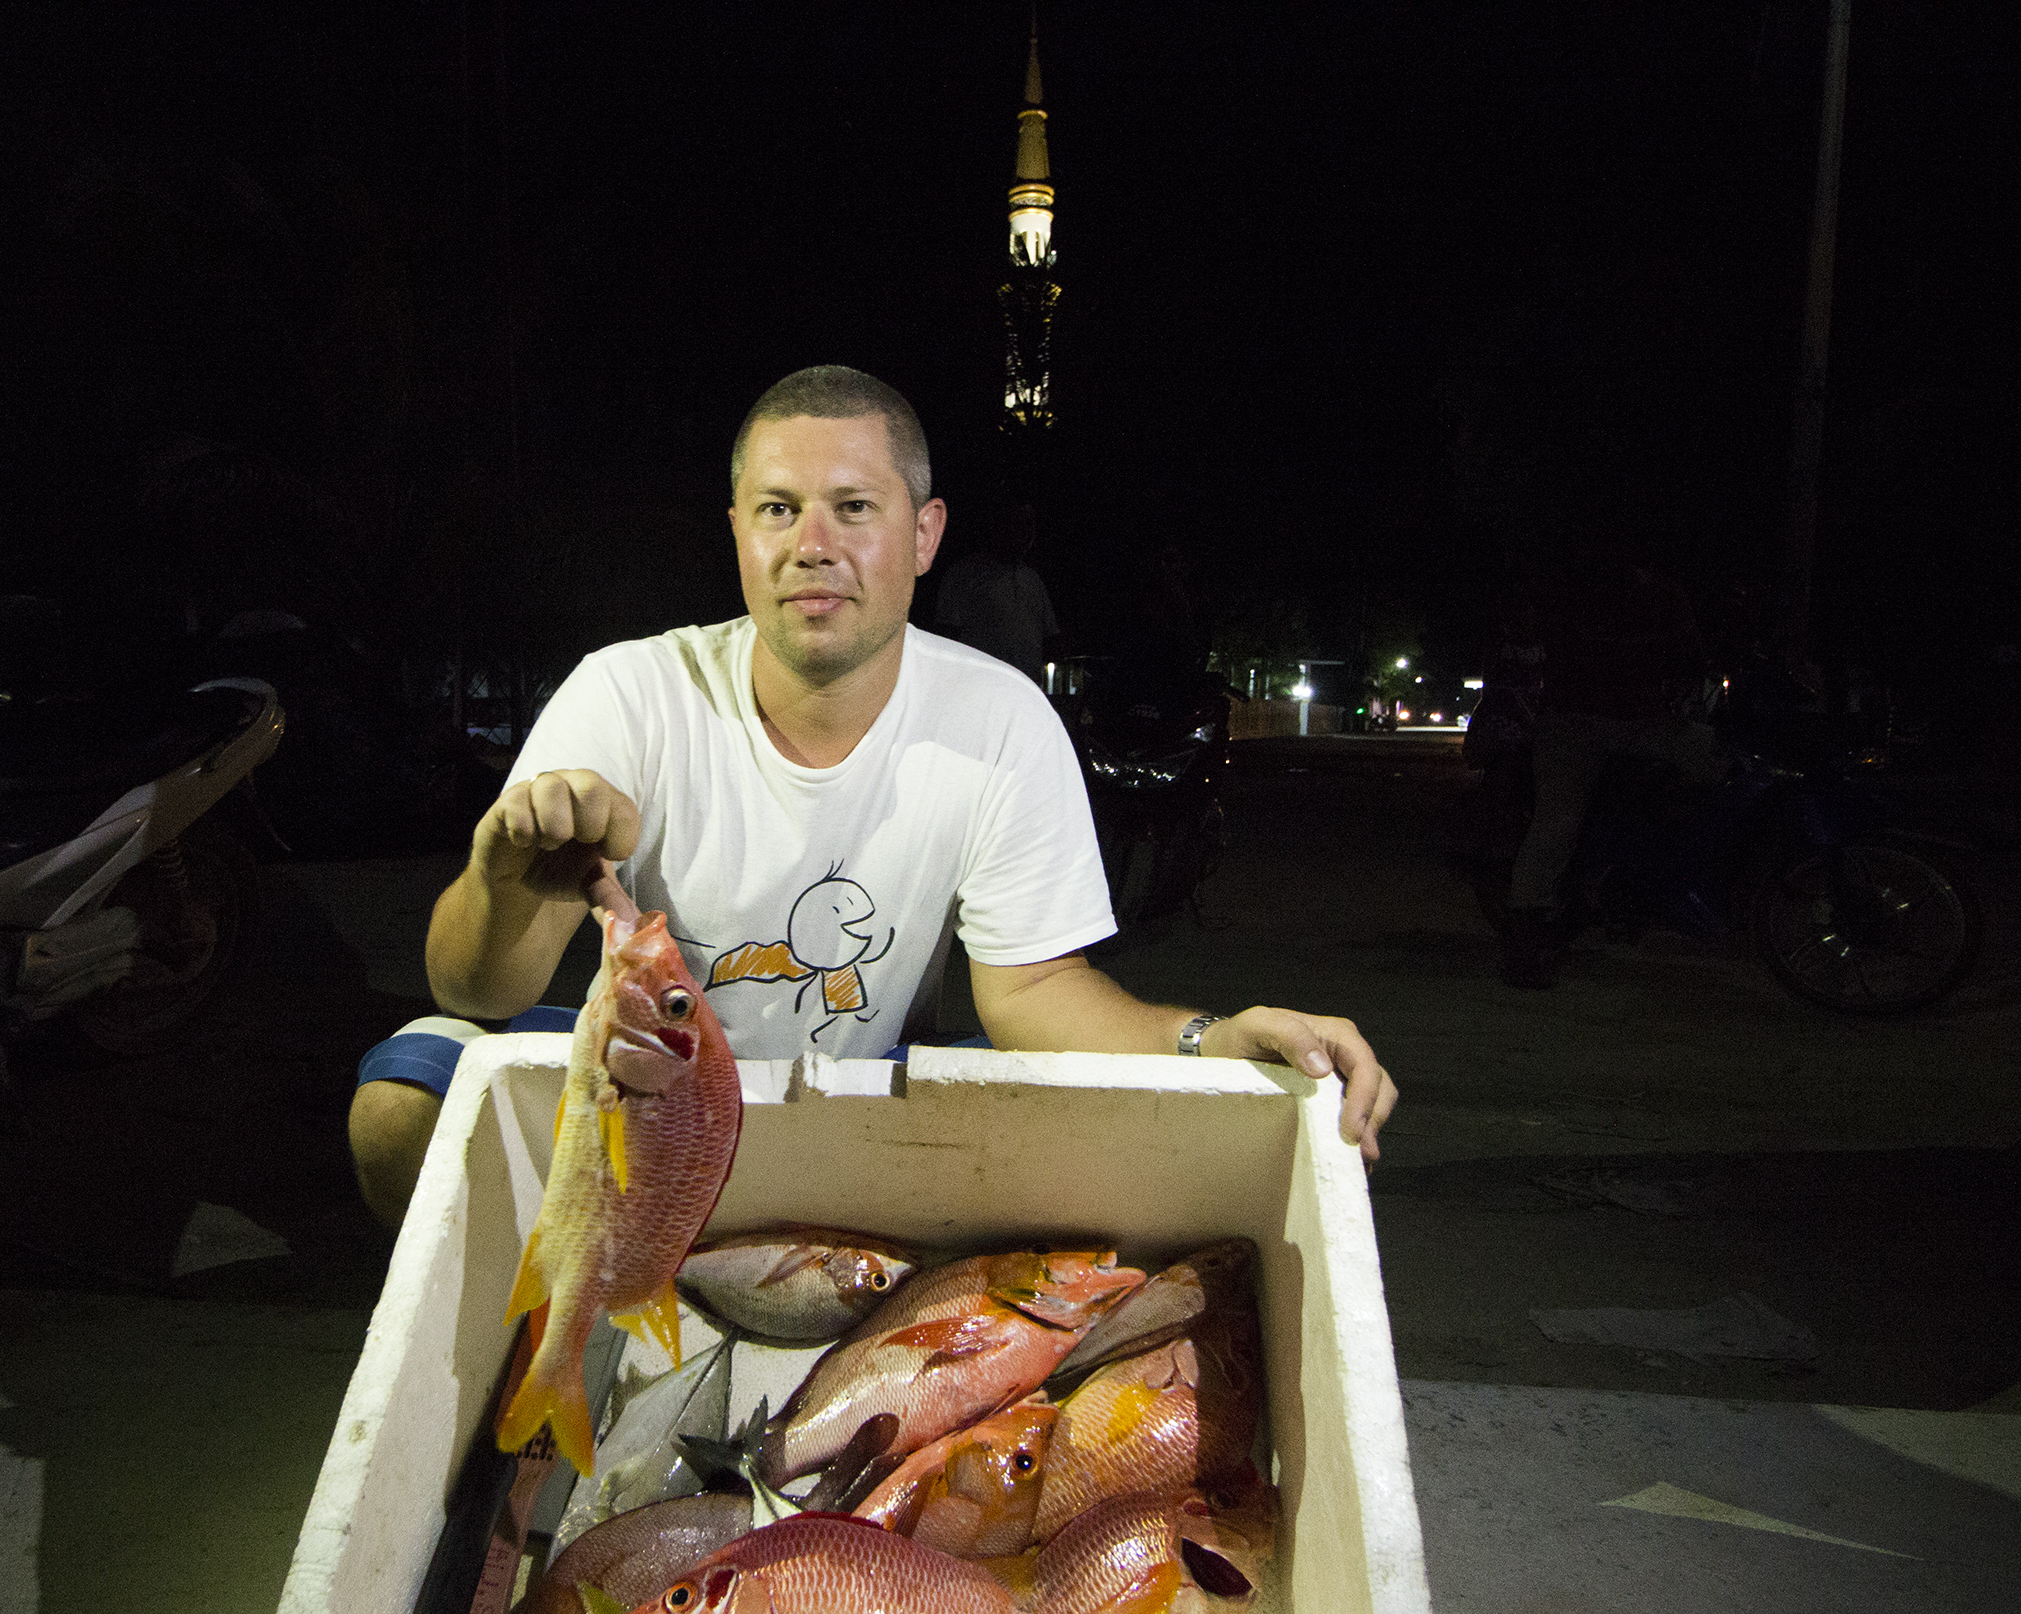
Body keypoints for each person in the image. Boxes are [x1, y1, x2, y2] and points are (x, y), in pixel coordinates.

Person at [347, 366, 1395, 1222]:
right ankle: (532, 1368)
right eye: (778, 509)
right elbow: (472, 990)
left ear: (926, 534)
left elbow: (1031, 994)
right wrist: (508, 878)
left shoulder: (999, 719)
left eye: (855, 507)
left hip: (860, 1085)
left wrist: (1210, 1040)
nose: (814, 543)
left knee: (1147, 1156)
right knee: (398, 1108)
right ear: (739, 533)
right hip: (642, 1081)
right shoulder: (631, 689)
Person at [1499, 549, 1722, 988]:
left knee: (1718, 763)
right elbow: (1548, 638)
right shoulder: (1573, 589)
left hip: (1648, 720)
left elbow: (1692, 649)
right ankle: (1524, 934)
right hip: (1576, 720)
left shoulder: (1663, 592)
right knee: (1560, 818)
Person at [930, 498, 1061, 679]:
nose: (1026, 532)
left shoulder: (1032, 579)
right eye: (1018, 523)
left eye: (1030, 525)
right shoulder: (965, 574)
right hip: (978, 685)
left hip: (1025, 689)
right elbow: (946, 635)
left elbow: (1051, 638)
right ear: (1000, 525)